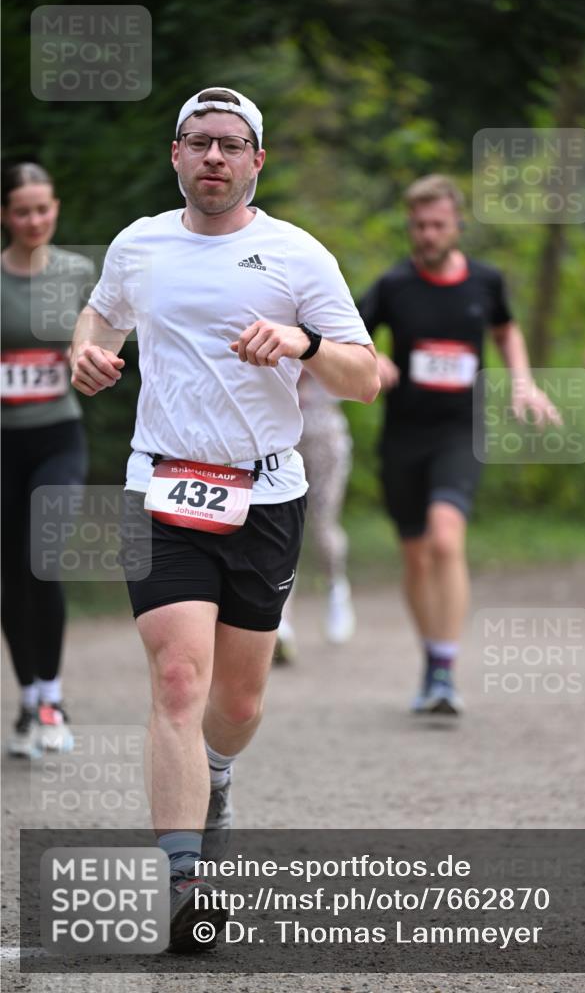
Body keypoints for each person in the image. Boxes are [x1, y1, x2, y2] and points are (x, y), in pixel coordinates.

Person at [69, 86, 378, 951]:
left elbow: (366, 375)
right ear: (175, 154)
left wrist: (304, 345)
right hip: (162, 486)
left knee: (235, 704)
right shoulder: (140, 243)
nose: (213, 157)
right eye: (197, 142)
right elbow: (102, 310)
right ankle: (185, 883)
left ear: (256, 161)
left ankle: (216, 774)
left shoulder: (296, 255)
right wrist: (87, 350)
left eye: (230, 144)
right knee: (177, 679)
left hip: (265, 495)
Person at [358, 174, 560, 716]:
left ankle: (445, 670)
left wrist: (523, 381)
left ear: (457, 225)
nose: (426, 235)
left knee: (446, 539)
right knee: (416, 557)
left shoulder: (486, 282)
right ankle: (432, 659)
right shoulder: (393, 285)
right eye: (419, 225)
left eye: (437, 225)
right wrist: (372, 358)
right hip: (403, 437)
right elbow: (346, 333)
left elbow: (506, 331)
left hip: (460, 432)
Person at [1, 162, 94, 758]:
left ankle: (54, 697)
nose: (36, 220)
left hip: (60, 436)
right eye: (23, 210)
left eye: (44, 208)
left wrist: (91, 357)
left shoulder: (78, 272)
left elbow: (103, 345)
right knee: (12, 572)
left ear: (56, 207)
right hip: (5, 443)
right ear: (5, 216)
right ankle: (30, 694)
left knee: (44, 556)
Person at [274, 371, 355, 664]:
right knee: (280, 529)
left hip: (323, 430)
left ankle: (336, 586)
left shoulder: (327, 325)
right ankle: (281, 622)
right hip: (277, 433)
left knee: (322, 526)